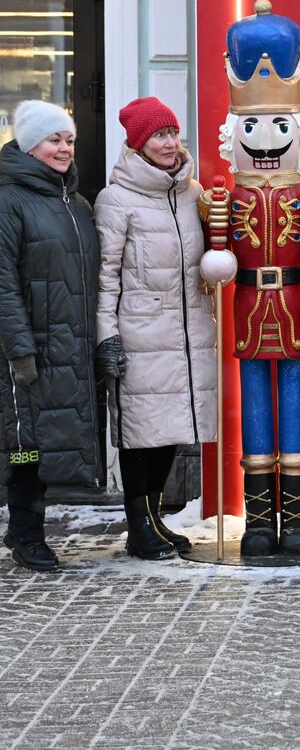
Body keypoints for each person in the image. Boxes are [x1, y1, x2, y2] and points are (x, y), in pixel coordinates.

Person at [94, 98, 218, 561]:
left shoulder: (191, 192)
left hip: (188, 329)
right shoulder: (116, 199)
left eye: (172, 133)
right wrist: (106, 336)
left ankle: (154, 518)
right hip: (139, 333)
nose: (170, 144)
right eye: (158, 136)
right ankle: (137, 526)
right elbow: (105, 276)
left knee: (171, 429)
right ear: (138, 144)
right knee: (140, 432)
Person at [0, 101, 101, 572]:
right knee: (24, 443)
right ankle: (26, 535)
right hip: (25, 351)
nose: (64, 149)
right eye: (53, 140)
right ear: (28, 145)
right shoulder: (8, 200)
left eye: (68, 140)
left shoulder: (76, 203)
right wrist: (18, 349)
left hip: (66, 347)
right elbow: (3, 283)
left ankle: (24, 528)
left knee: (46, 442)